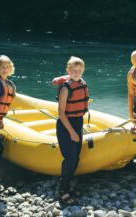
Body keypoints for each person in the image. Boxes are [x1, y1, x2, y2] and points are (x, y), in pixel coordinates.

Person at [56, 56, 89, 205]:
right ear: (68, 71)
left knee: (76, 158)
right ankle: (63, 191)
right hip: (65, 125)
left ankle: (67, 186)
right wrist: (72, 132)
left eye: (79, 70)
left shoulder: (82, 84)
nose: (77, 73)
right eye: (74, 70)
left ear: (82, 71)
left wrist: (78, 129)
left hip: (77, 122)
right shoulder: (65, 88)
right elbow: (61, 114)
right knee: (70, 159)